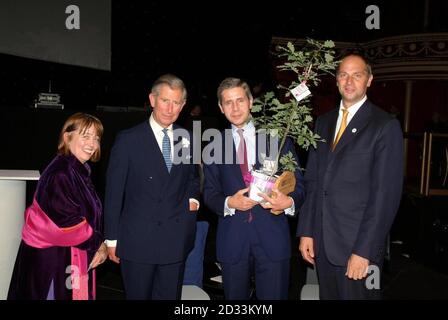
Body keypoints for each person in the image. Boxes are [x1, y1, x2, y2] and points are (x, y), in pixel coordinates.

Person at [297, 54, 404, 299]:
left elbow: (384, 196)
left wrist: (364, 251)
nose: (349, 81)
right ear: (336, 81)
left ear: (369, 80)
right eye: (343, 75)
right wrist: (307, 231)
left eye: (357, 75)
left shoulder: (384, 125)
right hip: (323, 245)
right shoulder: (323, 123)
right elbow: (313, 182)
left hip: (357, 249)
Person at [203, 77, 305, 300]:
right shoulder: (213, 146)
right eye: (228, 102)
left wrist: (288, 202)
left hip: (272, 238)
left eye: (240, 100)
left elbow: (299, 184)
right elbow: (209, 193)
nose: (235, 107)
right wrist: (230, 202)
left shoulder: (276, 138)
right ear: (221, 108)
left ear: (251, 101)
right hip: (233, 240)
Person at [104, 74, 200, 300]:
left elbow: (192, 178)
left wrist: (193, 199)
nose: (170, 108)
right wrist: (111, 239)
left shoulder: (186, 138)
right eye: (165, 100)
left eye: (176, 103)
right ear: (152, 99)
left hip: (174, 241)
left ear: (183, 105)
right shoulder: (128, 140)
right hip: (137, 242)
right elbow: (113, 193)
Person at [8, 113, 107, 300]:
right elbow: (66, 225)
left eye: (96, 137)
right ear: (67, 137)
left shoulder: (77, 170)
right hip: (53, 263)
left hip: (67, 258)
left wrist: (97, 242)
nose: (92, 143)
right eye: (85, 135)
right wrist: (98, 244)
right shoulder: (61, 173)